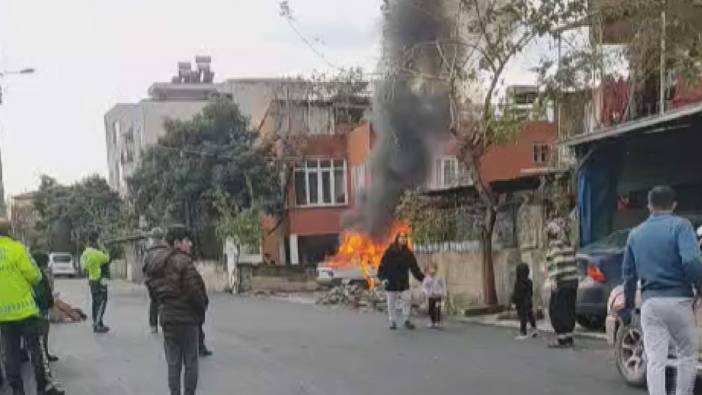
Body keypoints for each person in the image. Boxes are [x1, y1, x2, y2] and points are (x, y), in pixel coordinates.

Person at [620, 186, 702, 395]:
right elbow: (692, 260)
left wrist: (629, 306)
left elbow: (628, 275)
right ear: (674, 205)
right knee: (687, 354)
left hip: (650, 304)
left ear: (649, 206)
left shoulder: (635, 234)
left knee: (655, 359)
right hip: (679, 301)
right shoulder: (681, 226)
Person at [0, 218, 65, 395]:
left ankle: (17, 391)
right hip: (26, 312)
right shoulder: (17, 249)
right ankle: (43, 387)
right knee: (37, 350)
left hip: (3, 317)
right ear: (10, 231)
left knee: (10, 354)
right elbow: (35, 275)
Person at [146, 225, 208, 395]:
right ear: (177, 243)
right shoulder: (183, 261)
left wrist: (162, 306)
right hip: (187, 320)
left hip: (168, 319)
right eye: (188, 241)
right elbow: (197, 291)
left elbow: (152, 290)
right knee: (191, 362)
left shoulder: (155, 261)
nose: (191, 245)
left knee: (173, 364)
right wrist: (201, 311)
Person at [378, 232, 424, 330]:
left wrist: (423, 279)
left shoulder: (408, 253)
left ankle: (406, 320)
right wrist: (383, 279)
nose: (403, 239)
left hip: (403, 282)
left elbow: (414, 268)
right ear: (397, 239)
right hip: (391, 281)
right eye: (401, 237)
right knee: (391, 303)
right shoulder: (389, 252)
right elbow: (382, 267)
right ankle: (392, 321)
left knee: (407, 301)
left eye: (405, 238)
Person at [545, 218, 578, 348]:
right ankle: (568, 338)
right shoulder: (568, 244)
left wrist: (554, 279)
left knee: (555, 310)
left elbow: (558, 261)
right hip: (573, 281)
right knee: (569, 310)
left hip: (562, 282)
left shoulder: (555, 245)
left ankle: (562, 339)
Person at [31, 252, 60, 362]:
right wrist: (51, 306)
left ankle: (38, 355)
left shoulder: (34, 272)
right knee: (43, 333)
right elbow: (44, 292)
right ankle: (43, 356)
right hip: (39, 308)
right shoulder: (38, 274)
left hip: (30, 308)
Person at [80, 233, 111, 333]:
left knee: (95, 302)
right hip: (100, 280)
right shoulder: (96, 253)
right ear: (96, 240)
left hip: (92, 279)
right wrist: (103, 247)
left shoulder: (85, 253)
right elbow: (107, 258)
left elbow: (83, 267)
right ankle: (97, 324)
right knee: (102, 302)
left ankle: (98, 322)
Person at [144, 227, 168, 334]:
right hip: (165, 280)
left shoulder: (148, 251)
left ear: (153, 238)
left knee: (154, 302)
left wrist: (146, 279)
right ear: (162, 237)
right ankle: (165, 324)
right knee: (165, 302)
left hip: (151, 282)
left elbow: (144, 267)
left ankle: (153, 326)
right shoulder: (167, 250)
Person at [511, 262, 538, 340]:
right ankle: (534, 329)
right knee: (530, 315)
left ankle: (523, 332)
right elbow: (531, 292)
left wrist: (513, 302)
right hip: (529, 301)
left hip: (521, 303)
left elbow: (516, 294)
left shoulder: (518, 282)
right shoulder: (529, 281)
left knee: (523, 317)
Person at [421, 262, 446, 329]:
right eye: (430, 269)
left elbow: (443, 285)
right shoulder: (426, 279)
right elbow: (424, 287)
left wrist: (443, 293)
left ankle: (437, 322)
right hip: (431, 297)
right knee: (431, 309)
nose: (432, 272)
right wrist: (427, 293)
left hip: (438, 296)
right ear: (428, 270)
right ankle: (432, 321)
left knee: (437, 308)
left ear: (436, 269)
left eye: (433, 269)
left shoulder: (439, 277)